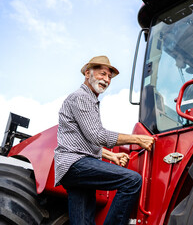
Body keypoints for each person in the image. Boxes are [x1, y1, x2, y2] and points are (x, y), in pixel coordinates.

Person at [54, 55, 155, 225]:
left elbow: (84, 142)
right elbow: (98, 136)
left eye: (109, 77)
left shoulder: (89, 99)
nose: (106, 80)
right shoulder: (82, 97)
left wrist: (111, 156)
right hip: (76, 164)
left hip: (72, 167)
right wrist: (137, 138)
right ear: (88, 73)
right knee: (132, 180)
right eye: (102, 74)